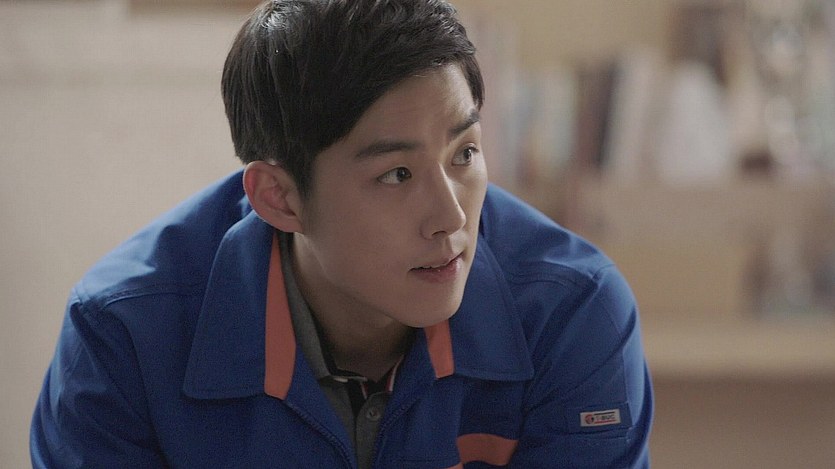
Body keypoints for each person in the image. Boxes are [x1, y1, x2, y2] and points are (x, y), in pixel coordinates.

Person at [30, 0, 653, 467]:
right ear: (279, 198)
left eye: (464, 153)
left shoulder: (573, 312)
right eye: (397, 174)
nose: (452, 217)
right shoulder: (125, 334)